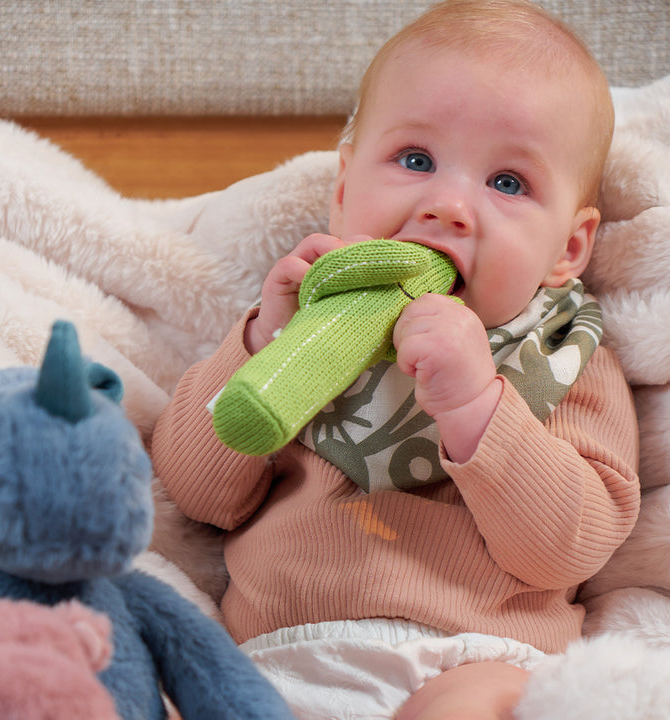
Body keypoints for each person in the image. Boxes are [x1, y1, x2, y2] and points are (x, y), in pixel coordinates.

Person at [152, 1, 641, 717]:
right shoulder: (304, 326)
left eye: (507, 183)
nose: (448, 206)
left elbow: (570, 547)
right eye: (415, 160)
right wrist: (263, 347)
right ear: (344, 193)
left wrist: (477, 405)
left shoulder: (564, 355)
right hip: (275, 659)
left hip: (476, 657)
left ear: (568, 249)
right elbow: (197, 493)